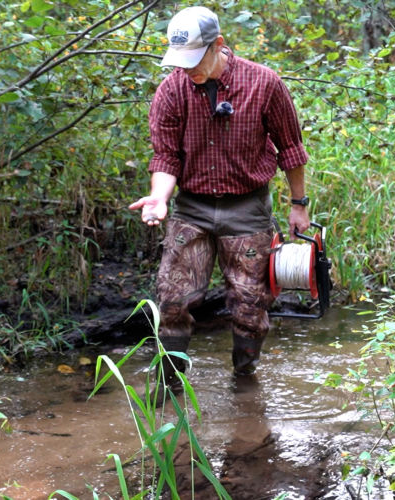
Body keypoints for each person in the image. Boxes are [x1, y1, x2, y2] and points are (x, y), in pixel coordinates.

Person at [129, 6, 310, 383]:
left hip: (247, 209)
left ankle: (245, 385)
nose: (187, 69)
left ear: (219, 45)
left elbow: (290, 148)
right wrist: (160, 197)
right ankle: (169, 387)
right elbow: (166, 156)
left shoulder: (264, 83)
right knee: (173, 298)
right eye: (181, 61)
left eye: (195, 60)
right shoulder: (172, 90)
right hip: (191, 207)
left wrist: (299, 205)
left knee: (249, 306)